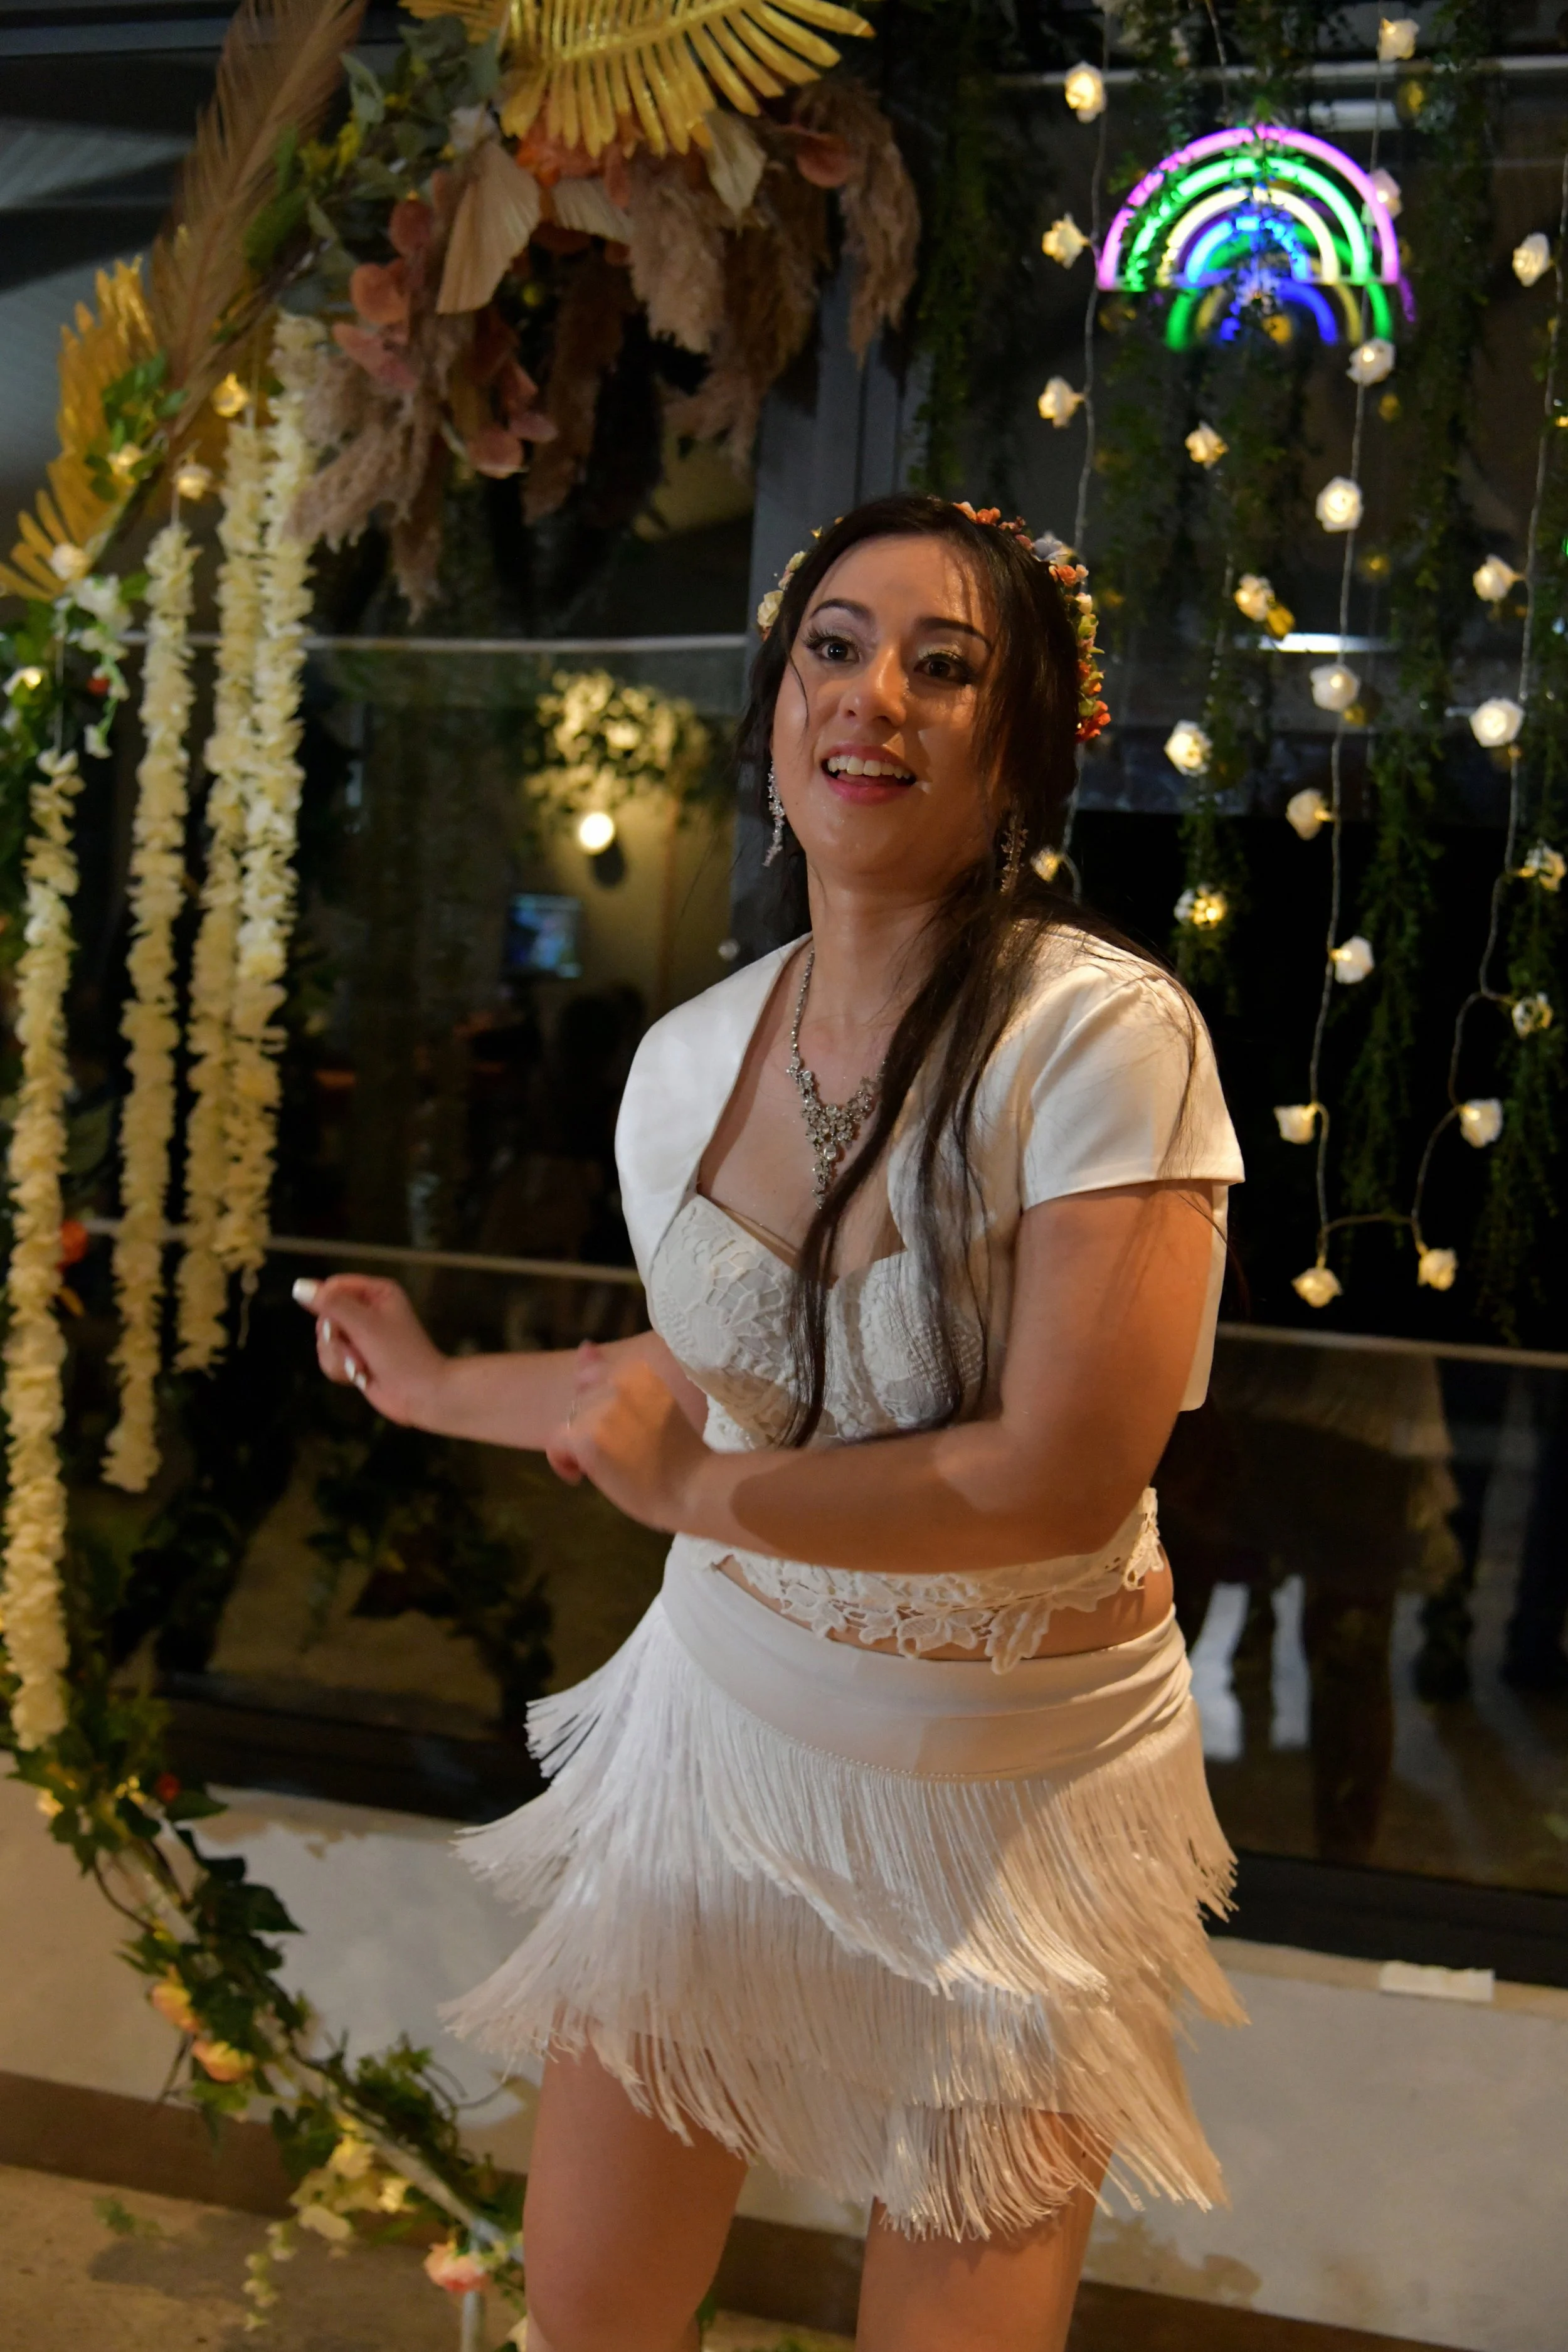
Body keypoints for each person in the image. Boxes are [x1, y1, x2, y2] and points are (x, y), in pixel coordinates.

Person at [294, 496, 1247, 2352]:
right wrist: (423, 1382)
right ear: (772, 713)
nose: (869, 693)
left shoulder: (1102, 1036)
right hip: (727, 1727)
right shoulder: (683, 1061)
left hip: (1015, 1781)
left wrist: (709, 1491)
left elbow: (1062, 1473)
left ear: (1025, 744)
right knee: (590, 2294)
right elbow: (671, 1377)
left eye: (943, 661)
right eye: (831, 643)